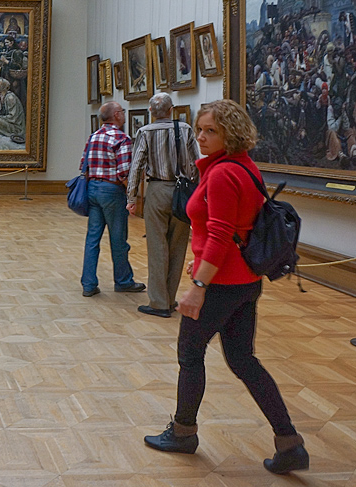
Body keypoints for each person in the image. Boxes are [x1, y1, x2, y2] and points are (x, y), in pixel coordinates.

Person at [143, 100, 308, 475]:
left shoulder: (221, 174)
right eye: (200, 129)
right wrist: (200, 259)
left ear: (230, 134)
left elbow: (220, 234)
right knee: (243, 361)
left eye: (211, 131)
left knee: (190, 354)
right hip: (244, 281)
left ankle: (183, 433)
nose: (201, 137)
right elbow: (236, 229)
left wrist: (199, 284)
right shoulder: (244, 166)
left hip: (220, 285)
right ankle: (289, 442)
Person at [126, 93, 200, 318]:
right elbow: (196, 163)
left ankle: (159, 303)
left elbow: (136, 166)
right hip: (183, 191)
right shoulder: (185, 129)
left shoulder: (145, 132)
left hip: (157, 190)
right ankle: (169, 298)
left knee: (157, 247)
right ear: (171, 110)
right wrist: (196, 192)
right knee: (178, 246)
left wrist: (131, 198)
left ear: (150, 111)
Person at [80, 101, 145, 297]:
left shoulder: (93, 136)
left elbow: (84, 165)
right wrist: (131, 196)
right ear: (116, 115)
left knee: (92, 239)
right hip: (112, 191)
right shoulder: (121, 138)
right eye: (122, 111)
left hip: (93, 188)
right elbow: (124, 172)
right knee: (118, 239)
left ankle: (88, 284)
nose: (124, 114)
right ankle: (123, 281)